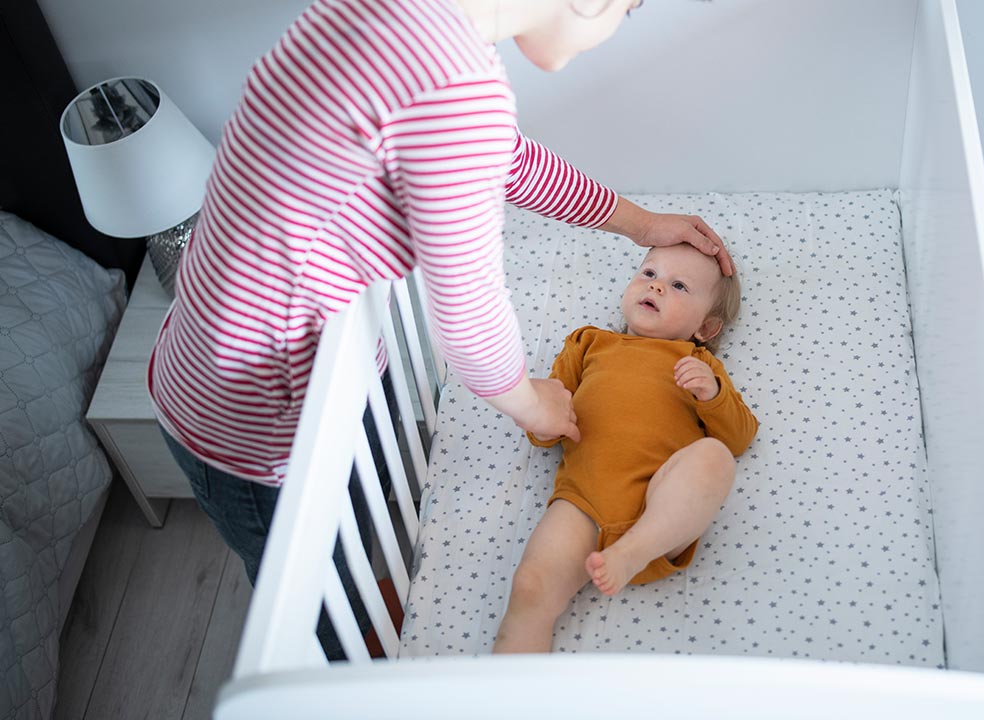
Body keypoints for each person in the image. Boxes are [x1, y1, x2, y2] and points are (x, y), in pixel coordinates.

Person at [148, 0, 735, 595]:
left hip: (219, 352)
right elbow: (469, 310)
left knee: (356, 532)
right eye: (628, 11)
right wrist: (531, 403)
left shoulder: (401, 22)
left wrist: (638, 224)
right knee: (316, 592)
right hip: (262, 419)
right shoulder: (457, 87)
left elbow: (512, 163)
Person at [493, 242, 758, 653]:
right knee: (529, 588)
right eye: (649, 274)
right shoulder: (589, 343)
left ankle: (634, 549)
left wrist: (713, 393)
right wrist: (537, 411)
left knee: (714, 457)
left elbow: (739, 438)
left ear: (705, 329)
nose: (656, 288)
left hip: (659, 508)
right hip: (583, 506)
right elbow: (544, 429)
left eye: (679, 285)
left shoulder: (697, 364)